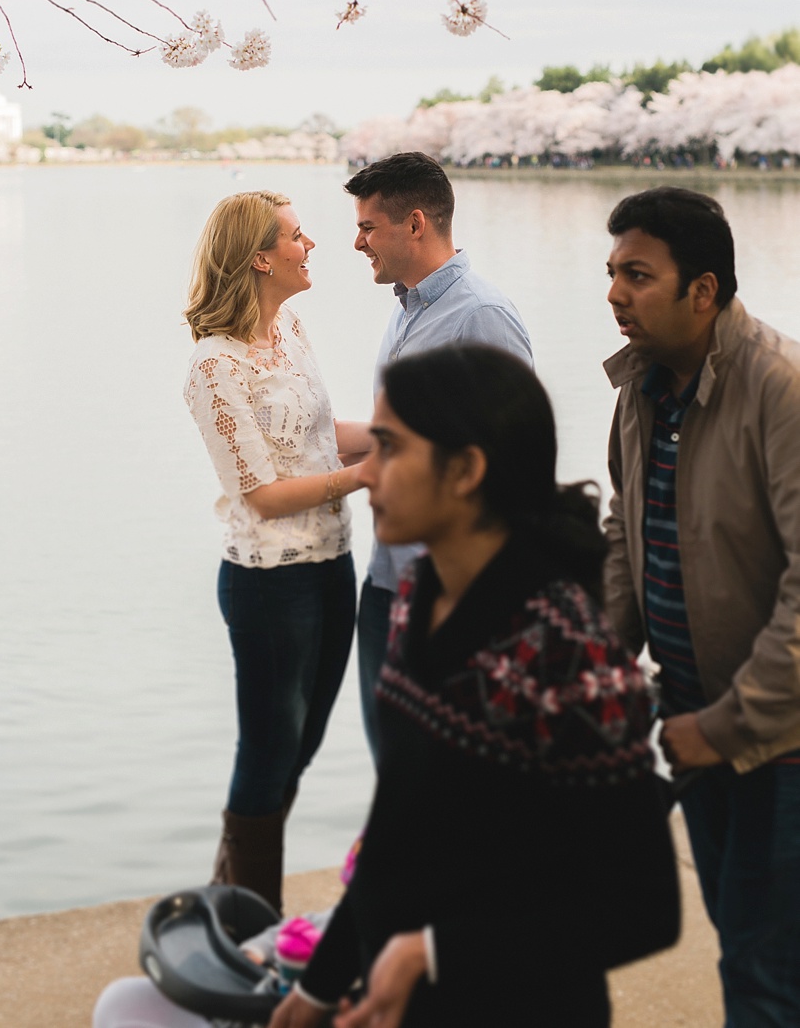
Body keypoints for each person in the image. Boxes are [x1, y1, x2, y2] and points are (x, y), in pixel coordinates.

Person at [270, 344, 680, 1028]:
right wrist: (319, 985)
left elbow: (643, 909)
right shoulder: (418, 595)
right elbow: (398, 828)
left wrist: (432, 952)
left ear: (465, 470)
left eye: (392, 450)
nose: (367, 474)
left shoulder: (565, 652)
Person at [603, 186, 800, 1025]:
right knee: (748, 950)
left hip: (778, 744)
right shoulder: (639, 390)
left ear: (704, 290)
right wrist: (602, 665)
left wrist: (725, 726)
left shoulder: (779, 389)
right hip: (690, 726)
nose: (615, 292)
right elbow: (625, 532)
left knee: (765, 975)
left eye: (638, 275)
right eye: (611, 273)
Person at [183, 190, 371, 912]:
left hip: (332, 565)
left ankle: (226, 896)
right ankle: (248, 923)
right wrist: (367, 476)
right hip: (269, 586)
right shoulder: (213, 368)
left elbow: (321, 437)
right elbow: (261, 493)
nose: (311, 245)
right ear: (262, 257)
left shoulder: (290, 330)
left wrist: (396, 433)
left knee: (304, 742)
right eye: (297, 236)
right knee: (268, 751)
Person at [344, 152, 533, 756]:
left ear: (416, 223)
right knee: (396, 773)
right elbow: (390, 439)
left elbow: (516, 461)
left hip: (449, 596)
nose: (357, 242)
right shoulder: (406, 312)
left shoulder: (480, 316)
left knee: (449, 780)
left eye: (368, 227)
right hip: (387, 582)